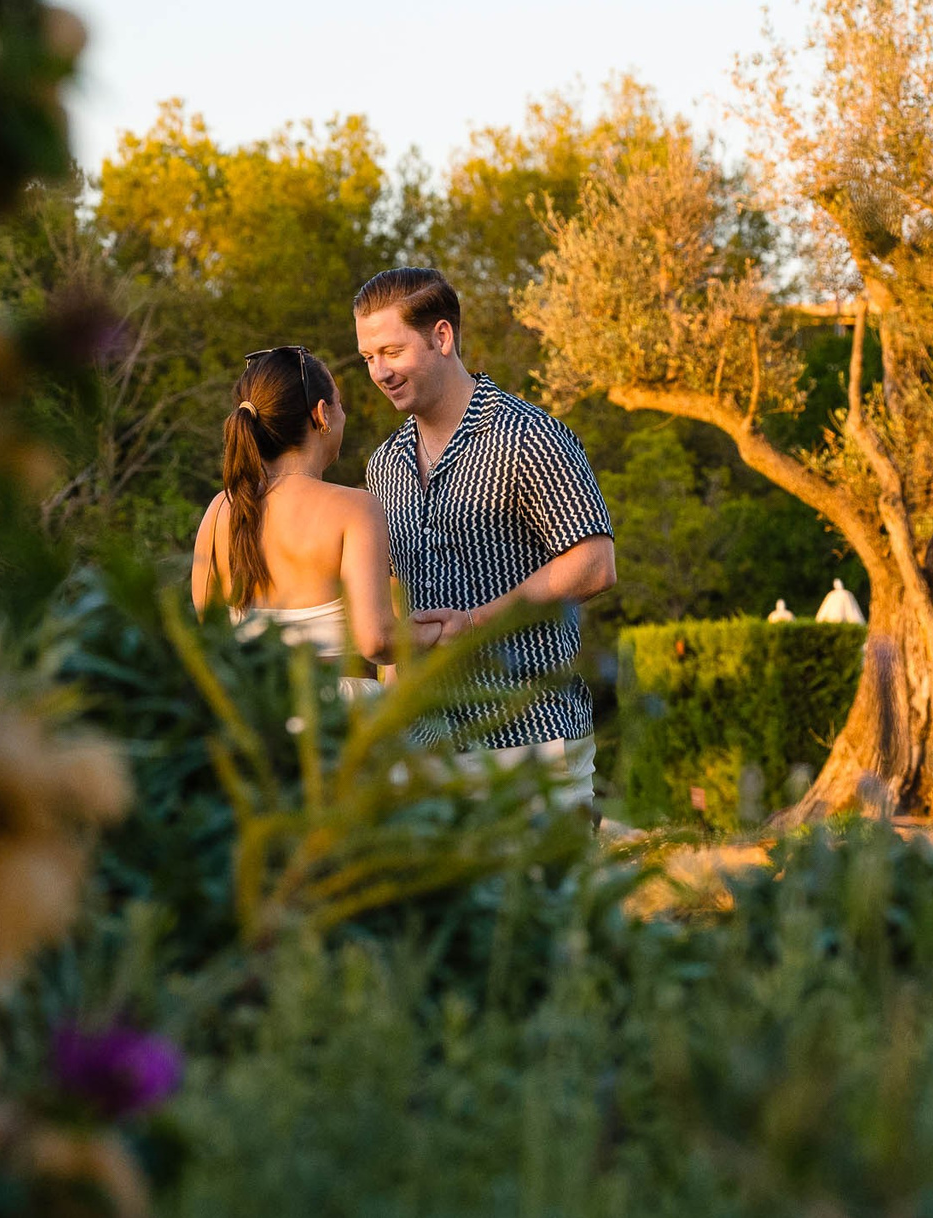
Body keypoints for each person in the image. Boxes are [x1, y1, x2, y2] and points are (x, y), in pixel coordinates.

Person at [352, 267, 617, 813]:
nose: (379, 371)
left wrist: (476, 621)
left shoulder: (528, 434)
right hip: (428, 752)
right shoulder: (383, 466)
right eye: (367, 358)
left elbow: (595, 563)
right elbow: (402, 602)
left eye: (391, 351)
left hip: (532, 742)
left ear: (442, 337)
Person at [189, 344, 406, 673]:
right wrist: (450, 629)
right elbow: (376, 641)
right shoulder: (355, 509)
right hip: (341, 716)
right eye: (340, 404)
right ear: (322, 414)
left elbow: (208, 636)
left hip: (256, 716)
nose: (343, 415)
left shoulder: (221, 509)